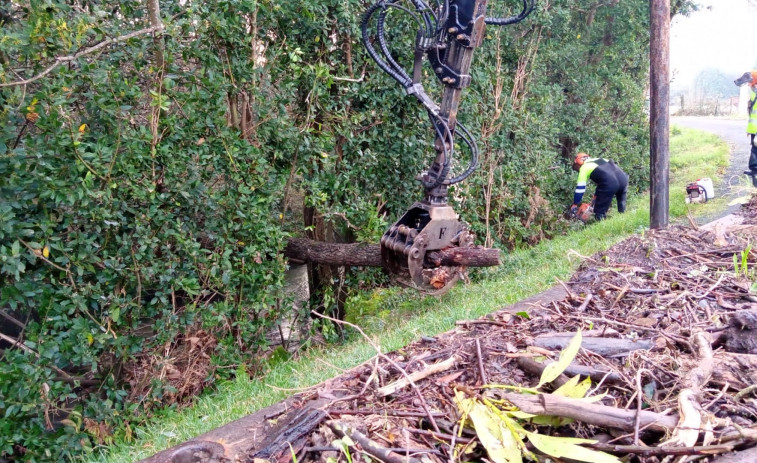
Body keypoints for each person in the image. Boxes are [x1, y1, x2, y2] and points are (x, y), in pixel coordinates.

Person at [570, 152, 628, 221]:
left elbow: (580, 189)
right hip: (623, 179)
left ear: (579, 162)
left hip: (610, 183)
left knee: (599, 212)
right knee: (622, 206)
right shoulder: (601, 159)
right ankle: (623, 220)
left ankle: (603, 227)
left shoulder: (584, 168)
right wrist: (595, 197)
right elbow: (603, 181)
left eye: (577, 167)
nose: (578, 169)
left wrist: (575, 203)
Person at [733, 71, 757, 179]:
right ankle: (754, 168)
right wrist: (750, 130)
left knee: (755, 148)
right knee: (754, 147)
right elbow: (752, 113)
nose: (748, 84)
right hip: (754, 128)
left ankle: (755, 168)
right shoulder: (753, 93)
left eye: (750, 82)